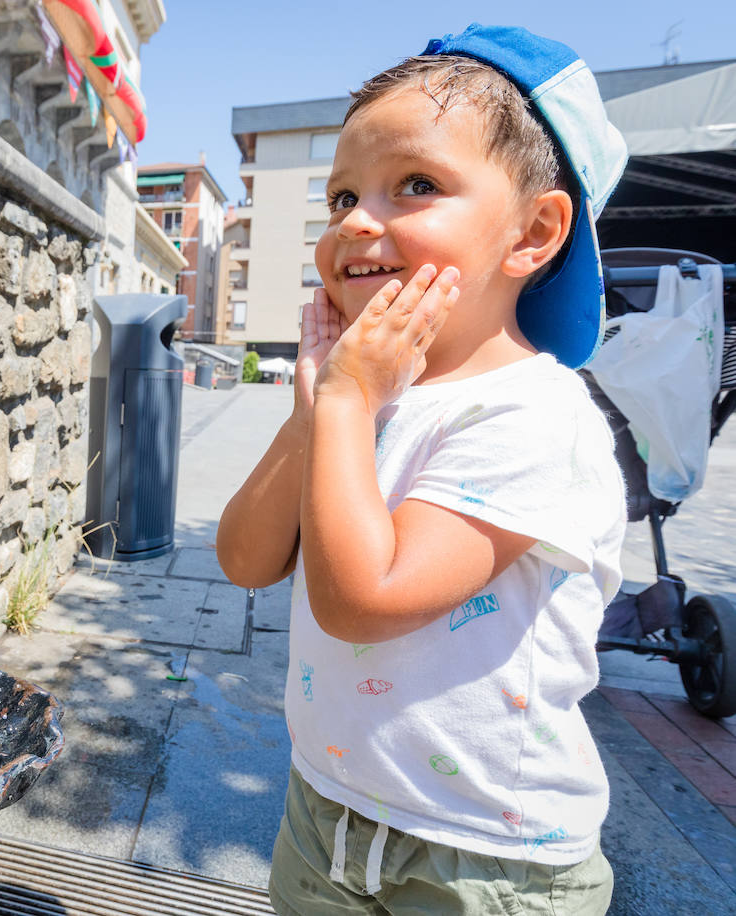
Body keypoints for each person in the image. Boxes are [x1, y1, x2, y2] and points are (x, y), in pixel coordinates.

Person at [214, 24, 629, 914]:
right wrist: (318, 408)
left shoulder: (536, 417)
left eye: (416, 185)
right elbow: (247, 561)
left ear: (533, 232)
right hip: (326, 814)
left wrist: (348, 404)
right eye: (340, 198)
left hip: (486, 861)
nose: (357, 221)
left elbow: (364, 599)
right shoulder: (359, 396)